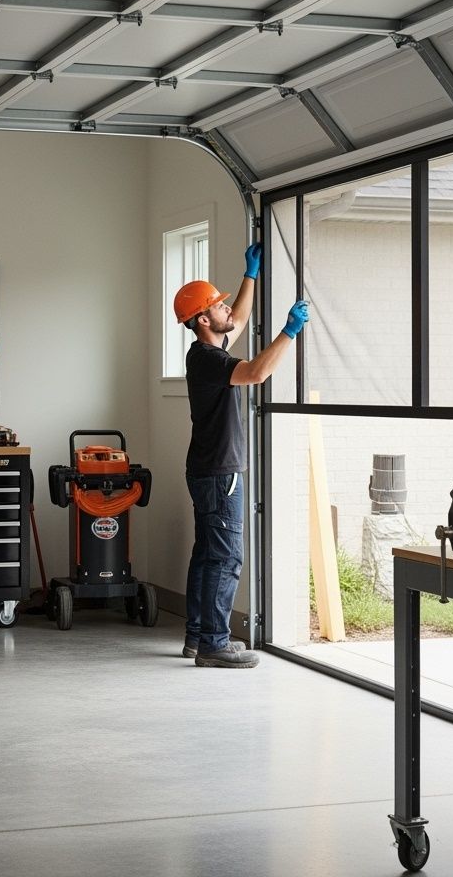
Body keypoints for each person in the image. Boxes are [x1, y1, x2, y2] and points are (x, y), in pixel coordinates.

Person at [173, 242, 309, 668]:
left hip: (207, 469)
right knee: (226, 556)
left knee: (206, 554)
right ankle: (214, 643)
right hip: (219, 473)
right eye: (216, 305)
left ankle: (197, 637)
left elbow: (240, 318)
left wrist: (250, 274)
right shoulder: (211, 359)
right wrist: (288, 332)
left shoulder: (205, 352)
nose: (225, 309)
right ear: (202, 319)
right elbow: (256, 372)